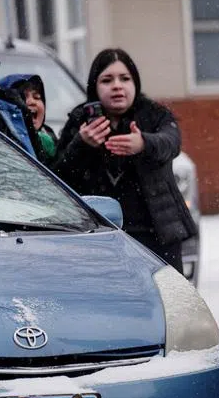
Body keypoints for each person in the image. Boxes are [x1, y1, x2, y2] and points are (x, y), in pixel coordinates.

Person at [54, 48, 196, 271]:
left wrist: (144, 143)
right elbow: (58, 175)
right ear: (94, 86)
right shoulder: (81, 120)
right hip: (100, 236)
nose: (117, 86)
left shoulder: (154, 114)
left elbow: (171, 143)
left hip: (156, 234)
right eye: (107, 80)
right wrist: (81, 144)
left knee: (166, 299)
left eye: (125, 78)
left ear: (135, 83)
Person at [0, 73, 58, 164]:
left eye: (37, 97)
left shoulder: (50, 137)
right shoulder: (2, 139)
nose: (32, 102)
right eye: (23, 97)